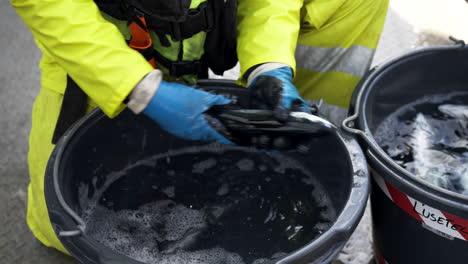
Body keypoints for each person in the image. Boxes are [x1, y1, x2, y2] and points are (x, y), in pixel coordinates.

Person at [11, 0, 388, 255]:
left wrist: (269, 61)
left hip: (199, 28)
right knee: (62, 224)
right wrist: (136, 87)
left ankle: (289, 150)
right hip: (104, 40)